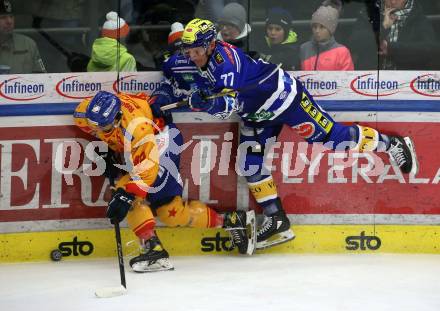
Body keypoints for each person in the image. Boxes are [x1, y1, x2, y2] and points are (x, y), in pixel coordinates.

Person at [151, 18, 419, 250]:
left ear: (210, 45)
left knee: (334, 139)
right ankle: (276, 218)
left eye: (197, 50)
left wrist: (207, 102)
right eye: (188, 51)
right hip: (256, 115)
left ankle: (391, 144)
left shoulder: (226, 65)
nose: (192, 56)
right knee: (248, 163)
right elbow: (171, 78)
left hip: (285, 100)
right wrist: (162, 96)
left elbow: (225, 108)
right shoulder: (185, 60)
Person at [74, 90, 256, 272]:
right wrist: (107, 151)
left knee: (131, 194)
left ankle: (154, 250)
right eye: (93, 124)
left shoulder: (138, 129)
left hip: (161, 142)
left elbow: (147, 169)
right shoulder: (85, 114)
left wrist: (126, 194)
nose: (96, 128)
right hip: (138, 150)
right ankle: (233, 220)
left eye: (103, 127)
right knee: (171, 213)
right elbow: (99, 130)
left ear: (118, 117)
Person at [378, 0, 437, 69]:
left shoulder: (420, 21)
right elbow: (365, 48)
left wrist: (391, 49)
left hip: (408, 77)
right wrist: (384, 27)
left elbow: (429, 51)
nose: (393, 2)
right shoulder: (371, 15)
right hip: (373, 78)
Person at [300, 0, 354, 70]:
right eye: (314, 26)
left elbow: (347, 78)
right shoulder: (304, 49)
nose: (317, 31)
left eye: (322, 27)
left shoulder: (342, 52)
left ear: (331, 29)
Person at [0, 0, 46, 74]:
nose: (9, 21)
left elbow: (42, 77)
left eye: (11, 16)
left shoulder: (29, 45)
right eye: (2, 17)